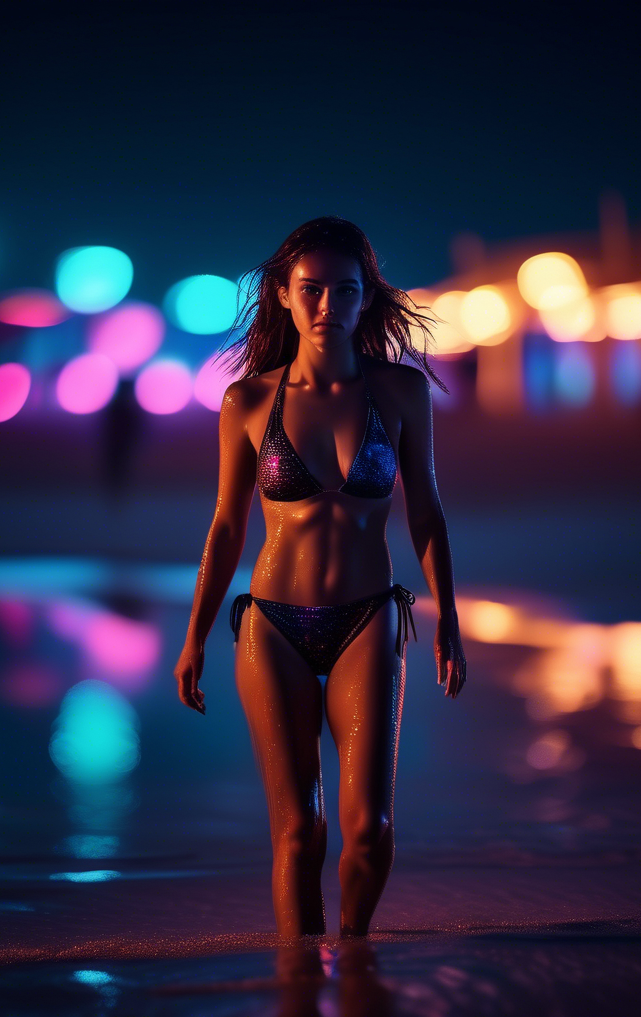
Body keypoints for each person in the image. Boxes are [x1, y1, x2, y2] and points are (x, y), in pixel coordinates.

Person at [173, 216, 466, 939]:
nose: (327, 305)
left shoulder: (399, 393)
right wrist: (194, 639)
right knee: (299, 833)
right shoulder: (246, 402)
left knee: (371, 829)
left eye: (345, 290)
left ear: (368, 299)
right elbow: (225, 528)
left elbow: (427, 513)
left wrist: (449, 622)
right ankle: (298, 990)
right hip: (272, 626)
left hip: (368, 618)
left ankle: (355, 959)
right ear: (281, 295)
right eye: (311, 290)